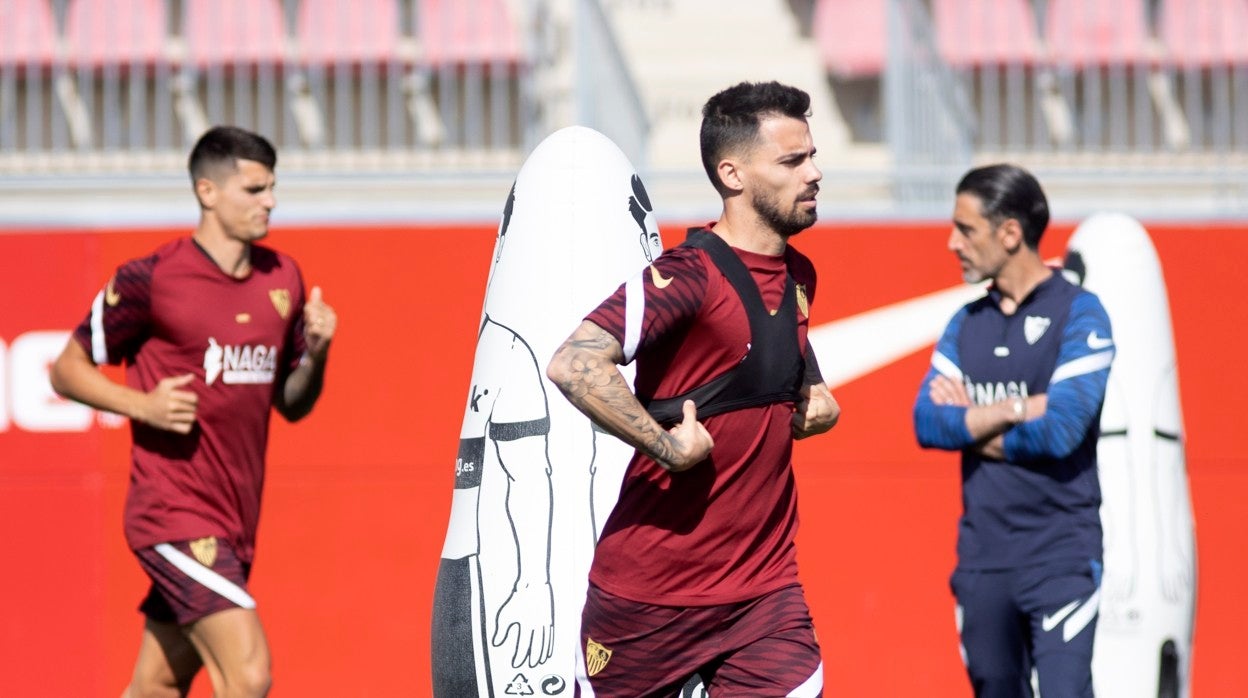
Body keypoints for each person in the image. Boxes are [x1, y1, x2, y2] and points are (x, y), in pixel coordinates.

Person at [546, 80, 840, 697]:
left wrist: (813, 396)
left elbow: (773, 363)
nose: (814, 173)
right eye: (792, 161)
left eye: (812, 155)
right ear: (732, 174)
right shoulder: (688, 275)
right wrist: (666, 448)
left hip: (764, 593)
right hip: (648, 599)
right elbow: (574, 363)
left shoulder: (798, 275)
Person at [49, 125, 336, 698]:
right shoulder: (153, 278)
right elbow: (66, 369)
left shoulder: (284, 278)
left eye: (272, 188)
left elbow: (292, 405)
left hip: (236, 521)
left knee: (157, 685)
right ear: (208, 191)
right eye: (254, 190)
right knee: (248, 674)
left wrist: (319, 354)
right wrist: (143, 405)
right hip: (172, 514)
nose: (270, 202)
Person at [912, 164, 1114, 697]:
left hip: (1061, 557)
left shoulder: (1081, 314)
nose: (952, 242)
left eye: (966, 228)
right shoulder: (966, 322)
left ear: (1009, 233)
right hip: (983, 561)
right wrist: (1017, 408)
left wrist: (971, 424)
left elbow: (1062, 431)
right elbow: (927, 422)